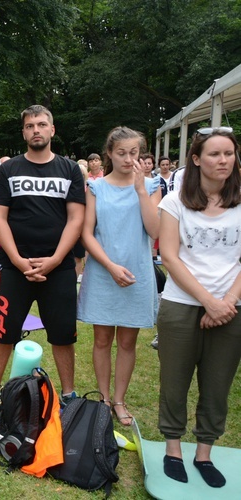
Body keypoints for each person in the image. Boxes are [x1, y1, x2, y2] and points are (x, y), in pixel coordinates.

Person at [0, 105, 85, 412]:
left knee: (62, 335)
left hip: (57, 268)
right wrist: (19, 261)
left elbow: (76, 219)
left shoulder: (69, 169)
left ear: (52, 130)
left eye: (42, 124)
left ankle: (69, 395)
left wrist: (57, 259)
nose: (36, 129)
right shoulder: (9, 169)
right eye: (30, 125)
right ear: (24, 132)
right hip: (14, 267)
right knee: (4, 332)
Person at [157, 127, 241, 488]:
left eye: (229, 154)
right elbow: (170, 257)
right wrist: (208, 301)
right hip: (181, 305)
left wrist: (226, 303)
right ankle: (173, 449)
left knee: (217, 384)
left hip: (231, 308)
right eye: (214, 154)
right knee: (174, 382)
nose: (223, 161)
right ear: (196, 159)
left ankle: (204, 452)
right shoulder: (174, 202)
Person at [77, 127, 161, 427]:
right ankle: (103, 398)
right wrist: (110, 266)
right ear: (109, 154)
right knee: (101, 340)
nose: (128, 159)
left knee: (128, 341)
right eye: (122, 153)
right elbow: (87, 232)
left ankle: (120, 400)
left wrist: (140, 189)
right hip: (103, 271)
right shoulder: (96, 187)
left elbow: (155, 231)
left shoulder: (151, 186)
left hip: (137, 273)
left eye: (134, 153)